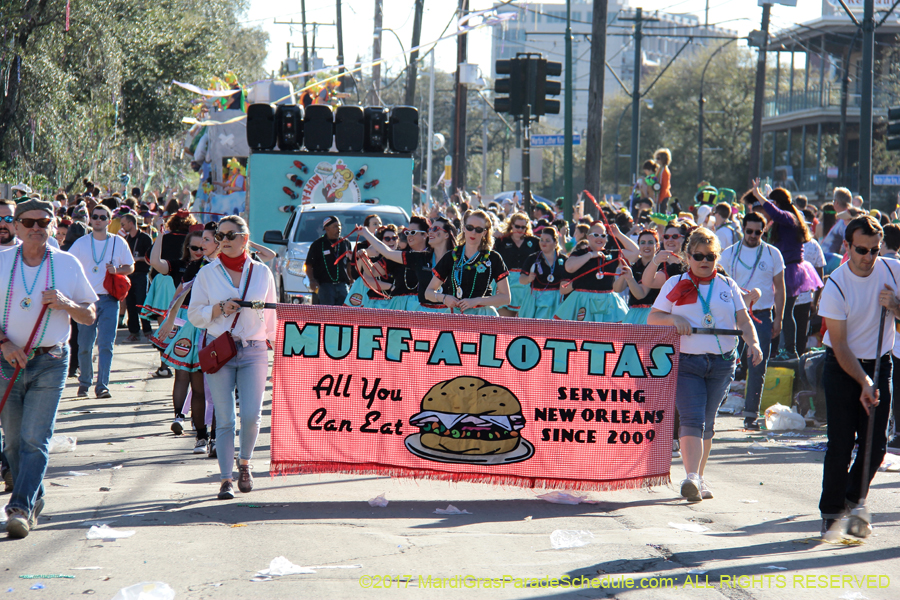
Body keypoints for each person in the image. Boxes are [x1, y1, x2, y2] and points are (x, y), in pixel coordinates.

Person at [0, 198, 97, 538]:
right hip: (6, 361)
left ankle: (20, 508)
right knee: (12, 443)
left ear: (54, 225)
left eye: (44, 222)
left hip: (51, 361)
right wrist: (5, 345)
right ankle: (34, 496)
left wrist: (65, 303)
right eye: (29, 223)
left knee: (34, 438)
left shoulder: (68, 264)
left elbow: (89, 315)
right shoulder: (1, 262)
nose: (37, 228)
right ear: (16, 225)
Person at [648, 227, 763, 502]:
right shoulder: (675, 283)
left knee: (708, 423)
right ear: (688, 256)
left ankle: (698, 477)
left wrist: (755, 343)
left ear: (716, 258)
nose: (704, 261)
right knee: (692, 419)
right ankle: (691, 478)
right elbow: (654, 317)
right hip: (687, 362)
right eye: (698, 256)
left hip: (722, 363)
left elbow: (744, 321)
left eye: (710, 256)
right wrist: (674, 320)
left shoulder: (728, 285)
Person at [817, 216, 899, 537]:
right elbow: (839, 344)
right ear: (847, 247)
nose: (868, 257)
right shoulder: (836, 285)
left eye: (874, 250)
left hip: (880, 361)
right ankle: (831, 510)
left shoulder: (893, 271)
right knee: (841, 442)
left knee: (876, 445)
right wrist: (864, 382)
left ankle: (853, 498)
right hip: (841, 366)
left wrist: (895, 304)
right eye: (861, 250)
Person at [188, 216, 276, 500]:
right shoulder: (207, 274)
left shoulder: (262, 272)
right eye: (220, 234)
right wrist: (217, 309)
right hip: (220, 349)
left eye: (230, 234)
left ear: (245, 238)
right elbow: (194, 315)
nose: (223, 239)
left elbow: (273, 313)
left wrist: (280, 344)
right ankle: (226, 478)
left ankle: (245, 464)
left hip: (254, 349)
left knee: (251, 416)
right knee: (225, 419)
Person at [719, 212, 786, 430]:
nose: (753, 235)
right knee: (727, 361)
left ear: (763, 231)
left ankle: (751, 415)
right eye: (749, 231)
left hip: (762, 315)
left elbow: (780, 288)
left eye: (758, 232)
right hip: (734, 315)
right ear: (743, 229)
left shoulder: (772, 252)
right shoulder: (729, 253)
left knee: (757, 364)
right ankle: (717, 407)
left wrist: (779, 317)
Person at [67, 204, 135, 398]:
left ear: (109, 220)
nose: (98, 220)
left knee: (106, 344)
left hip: (109, 300)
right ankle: (85, 382)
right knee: (85, 344)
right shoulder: (81, 243)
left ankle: (102, 386)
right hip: (86, 300)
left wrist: (117, 270)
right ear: (90, 219)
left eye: (102, 217)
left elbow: (130, 266)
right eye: (95, 216)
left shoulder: (118, 242)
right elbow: (68, 264)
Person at [748, 185, 822, 360]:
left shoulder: (788, 217)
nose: (769, 207)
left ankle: (790, 350)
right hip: (787, 268)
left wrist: (759, 196)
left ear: (778, 203)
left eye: (773, 202)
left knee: (786, 312)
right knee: (785, 311)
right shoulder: (785, 221)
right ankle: (787, 349)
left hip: (791, 270)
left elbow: (775, 213)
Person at [149, 228, 207, 440]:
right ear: (187, 248)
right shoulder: (180, 266)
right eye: (194, 248)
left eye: (203, 246)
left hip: (204, 320)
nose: (199, 251)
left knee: (199, 376)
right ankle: (179, 416)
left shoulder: (212, 267)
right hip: (181, 320)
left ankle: (199, 422)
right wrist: (160, 235)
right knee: (181, 373)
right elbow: (155, 261)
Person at [427, 210, 511, 316]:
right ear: (464, 228)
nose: (473, 233)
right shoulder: (451, 256)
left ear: (484, 232)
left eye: (479, 229)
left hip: (484, 316)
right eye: (469, 227)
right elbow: (428, 292)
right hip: (456, 316)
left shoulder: (493, 258)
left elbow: (506, 298)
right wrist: (444, 298)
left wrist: (477, 301)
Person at [553, 221, 630, 322]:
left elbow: (636, 253)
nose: (600, 238)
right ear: (588, 237)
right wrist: (591, 255)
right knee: (581, 334)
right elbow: (569, 267)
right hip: (583, 301)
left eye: (603, 235)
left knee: (608, 334)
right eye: (596, 235)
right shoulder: (580, 253)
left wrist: (618, 234)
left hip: (608, 302)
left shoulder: (612, 255)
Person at [518, 226, 571, 319]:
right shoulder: (533, 258)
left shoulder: (564, 259)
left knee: (555, 329)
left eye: (547, 240)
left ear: (555, 242)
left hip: (557, 300)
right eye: (541, 240)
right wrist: (528, 278)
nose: (543, 243)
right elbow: (521, 280)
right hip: (536, 299)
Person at [496, 212, 541, 316]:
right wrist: (493, 234)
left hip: (526, 280)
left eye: (523, 227)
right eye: (517, 226)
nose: (520, 230)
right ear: (511, 225)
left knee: (524, 316)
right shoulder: (502, 240)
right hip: (507, 281)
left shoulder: (534, 242)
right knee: (504, 318)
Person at [344, 225, 398, 309]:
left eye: (394, 238)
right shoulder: (374, 257)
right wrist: (364, 257)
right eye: (387, 238)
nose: (391, 241)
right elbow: (366, 279)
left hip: (396, 302)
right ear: (380, 241)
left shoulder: (401, 256)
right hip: (376, 302)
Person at [120, 213, 153, 342]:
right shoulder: (126, 239)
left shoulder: (145, 238)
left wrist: (137, 259)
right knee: (130, 304)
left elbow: (151, 258)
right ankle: (134, 332)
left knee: (142, 304)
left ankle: (147, 330)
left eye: (123, 224)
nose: (122, 227)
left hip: (141, 275)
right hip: (129, 276)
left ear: (131, 223)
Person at [617, 228, 661, 324]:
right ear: (639, 246)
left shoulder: (661, 266)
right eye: (643, 242)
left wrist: (630, 278)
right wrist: (624, 272)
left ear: (657, 247)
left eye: (650, 242)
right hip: (633, 313)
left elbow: (640, 294)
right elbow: (617, 289)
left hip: (654, 313)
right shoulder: (634, 266)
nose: (646, 246)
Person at [306, 216, 352, 305]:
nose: (338, 229)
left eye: (339, 226)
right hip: (325, 286)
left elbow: (349, 263)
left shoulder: (345, 243)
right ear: (327, 229)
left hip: (342, 285)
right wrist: (312, 280)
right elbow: (309, 264)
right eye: (335, 226)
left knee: (343, 312)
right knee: (327, 314)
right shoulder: (317, 244)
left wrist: (351, 279)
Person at [654, 149, 672, 214]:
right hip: (659, 195)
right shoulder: (660, 170)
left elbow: (665, 186)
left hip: (664, 196)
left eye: (658, 158)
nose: (656, 160)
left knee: (662, 212)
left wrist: (660, 199)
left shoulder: (665, 171)